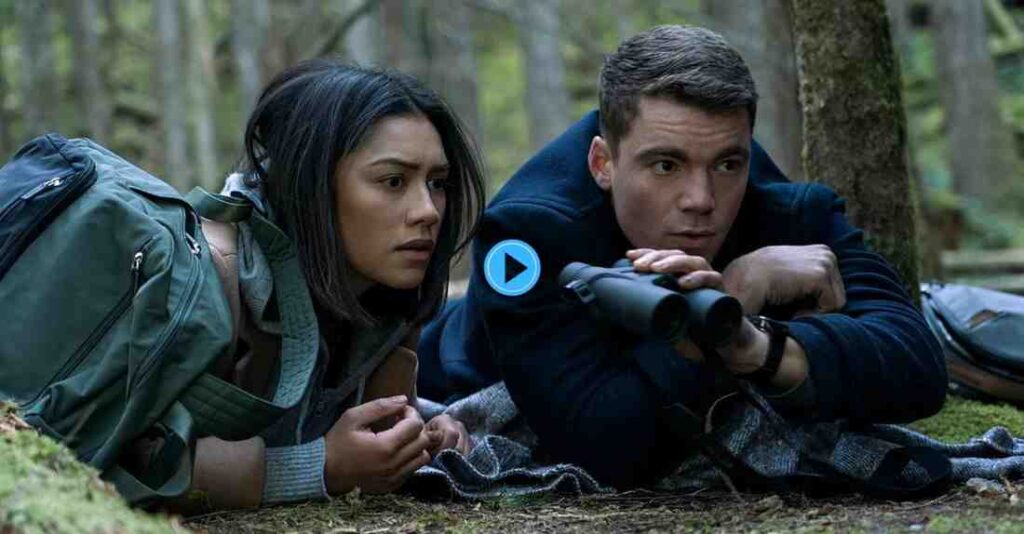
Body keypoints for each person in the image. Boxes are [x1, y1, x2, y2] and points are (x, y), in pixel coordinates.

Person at [417, 25, 947, 488]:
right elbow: (605, 448)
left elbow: (917, 368)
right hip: (454, 365)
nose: (702, 200)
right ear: (603, 163)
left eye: (727, 164)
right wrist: (735, 297)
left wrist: (758, 346)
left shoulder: (774, 205)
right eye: (666, 166)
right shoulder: (529, 232)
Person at [182, 60, 485, 509]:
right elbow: (123, 460)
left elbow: (365, 416)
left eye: (437, 183)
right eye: (394, 181)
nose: (428, 210)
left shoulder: (387, 292)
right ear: (313, 186)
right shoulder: (208, 278)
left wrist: (424, 433)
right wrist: (320, 467)